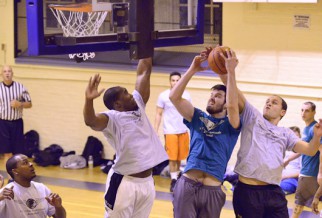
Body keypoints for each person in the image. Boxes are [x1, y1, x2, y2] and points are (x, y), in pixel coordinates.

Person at [215, 51, 322, 217]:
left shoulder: (285, 133)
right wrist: (228, 70)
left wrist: (317, 136)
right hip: (247, 191)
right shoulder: (253, 116)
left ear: (283, 111)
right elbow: (233, 90)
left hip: (273, 191)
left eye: (274, 102)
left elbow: (310, 150)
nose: (268, 104)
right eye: (267, 102)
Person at [83, 58, 168, 218]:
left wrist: (145, 39)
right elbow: (91, 121)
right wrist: (89, 100)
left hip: (147, 182)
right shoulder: (112, 118)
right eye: (126, 94)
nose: (132, 95)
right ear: (118, 105)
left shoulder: (138, 106)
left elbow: (144, 70)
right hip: (124, 182)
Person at [169, 49, 241, 217]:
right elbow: (174, 97)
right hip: (188, 184)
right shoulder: (197, 116)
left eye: (218, 96)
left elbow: (232, 105)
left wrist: (230, 71)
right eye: (211, 95)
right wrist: (192, 69)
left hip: (213, 190)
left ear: (225, 103)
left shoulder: (232, 124)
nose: (212, 98)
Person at [154, 71, 191, 192]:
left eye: (177, 80)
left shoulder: (186, 95)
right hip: (170, 130)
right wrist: (155, 130)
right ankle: (173, 180)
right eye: (173, 80)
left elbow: (190, 113)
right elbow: (158, 114)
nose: (175, 82)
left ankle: (177, 177)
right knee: (172, 157)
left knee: (180, 156)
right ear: (170, 81)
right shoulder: (163, 96)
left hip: (183, 129)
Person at [0, 154, 66, 218]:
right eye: (25, 163)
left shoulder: (42, 188)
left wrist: (58, 206)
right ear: (15, 171)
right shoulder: (5, 193)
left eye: (29, 161)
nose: (31, 164)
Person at [291, 102, 322, 218]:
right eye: (302, 110)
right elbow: (304, 149)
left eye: (307, 110)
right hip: (306, 171)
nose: (303, 113)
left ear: (314, 112)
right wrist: (288, 160)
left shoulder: (314, 128)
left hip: (310, 173)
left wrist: (320, 173)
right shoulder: (306, 128)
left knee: (298, 204)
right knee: (309, 204)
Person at [0, 65, 32, 163]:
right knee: (7, 153)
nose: (7, 73)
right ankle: (10, 177)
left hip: (17, 123)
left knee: (18, 153)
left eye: (9, 71)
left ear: (12, 74)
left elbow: (29, 104)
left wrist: (20, 104)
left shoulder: (20, 87)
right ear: (1, 74)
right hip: (3, 123)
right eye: (5, 71)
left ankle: (17, 177)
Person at [280, 126, 301, 194]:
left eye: (296, 137)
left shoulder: (302, 153)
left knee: (281, 188)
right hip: (278, 178)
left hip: (292, 180)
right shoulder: (282, 150)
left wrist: (284, 177)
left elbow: (302, 173)